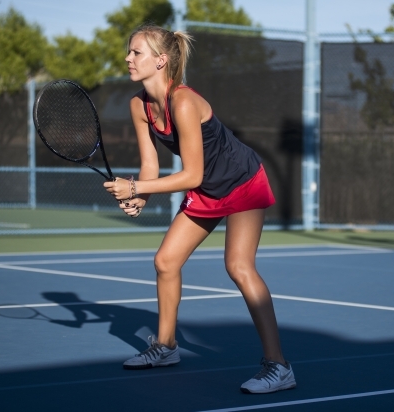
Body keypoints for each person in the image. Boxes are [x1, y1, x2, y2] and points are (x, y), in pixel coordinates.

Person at [103, 24, 295, 394]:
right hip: (207, 188)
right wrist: (140, 194)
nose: (128, 58)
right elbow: (150, 166)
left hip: (242, 181)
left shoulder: (184, 102)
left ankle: (279, 366)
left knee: (239, 266)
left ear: (161, 61)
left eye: (136, 52)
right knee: (165, 261)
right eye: (129, 52)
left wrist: (136, 188)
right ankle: (166, 346)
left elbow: (190, 174)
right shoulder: (138, 105)